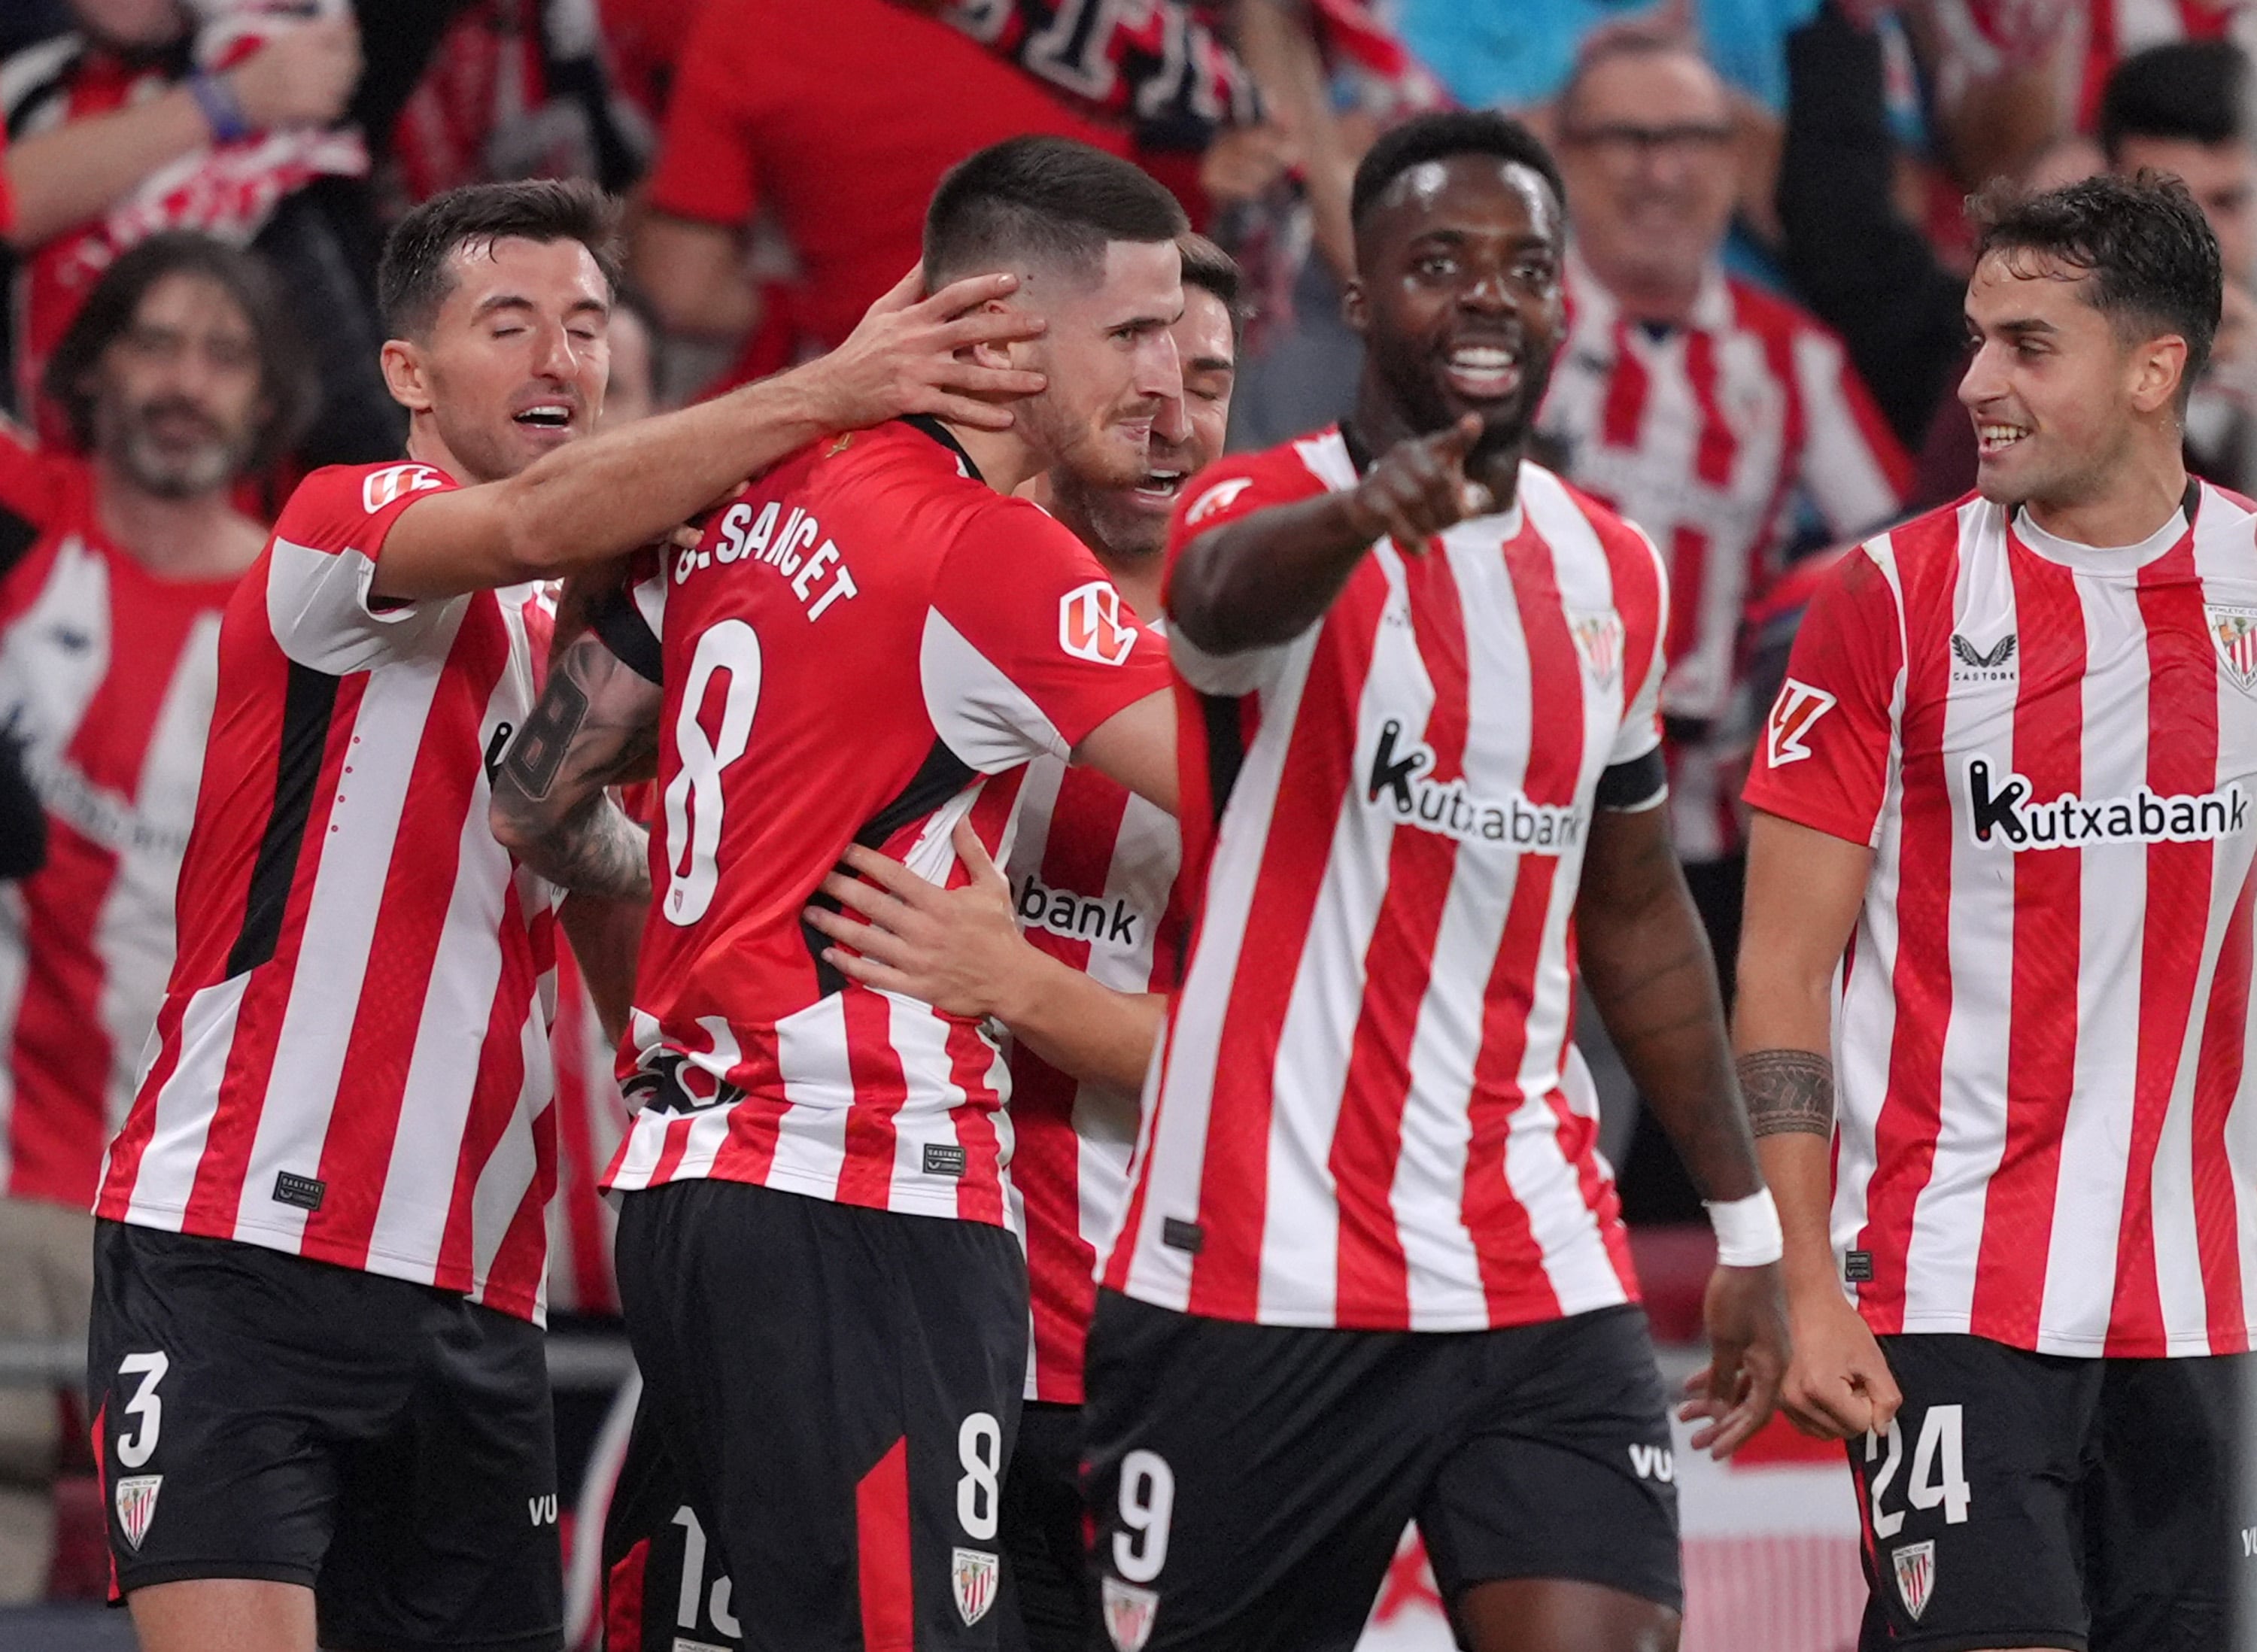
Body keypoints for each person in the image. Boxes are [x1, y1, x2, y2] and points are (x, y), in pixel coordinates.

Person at [85, 174, 1046, 1652]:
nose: (560, 361)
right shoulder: (349, 522)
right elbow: (533, 518)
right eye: (510, 323)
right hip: (237, 1249)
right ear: (406, 371)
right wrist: (833, 389)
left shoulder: (593, 645)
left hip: (480, 1291)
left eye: (588, 327)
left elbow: (588, 878)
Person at [1084, 108, 1789, 1652]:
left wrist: (1747, 1228)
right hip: (1258, 1265)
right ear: (1361, 297)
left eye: (1525, 268)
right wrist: (1363, 516)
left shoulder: (1614, 564)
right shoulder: (1253, 507)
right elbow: (1209, 606)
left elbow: (1633, 906)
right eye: (1438, 264)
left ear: (1563, 303)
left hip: (1534, 1252)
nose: (1487, 297)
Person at [490, 135, 1186, 1650]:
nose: (1162, 375)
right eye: (1130, 332)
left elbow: (536, 802)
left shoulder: (744, 490)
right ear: (999, 331)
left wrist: (720, 894)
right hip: (863, 1199)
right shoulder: (995, 556)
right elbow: (1262, 797)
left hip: (685, 1192)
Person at [1736, 172, 2257, 1652]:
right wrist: (1800, 1279)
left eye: (2028, 347)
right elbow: (1778, 973)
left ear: (2156, 369)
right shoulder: (1887, 603)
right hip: (1949, 1279)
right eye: (1977, 340)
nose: (1976, 383)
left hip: (2214, 1305)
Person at [0, 232, 309, 1605]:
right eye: (156, 342)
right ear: (93, 363)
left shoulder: (312, 614)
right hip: (5, 1184)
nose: (185, 382)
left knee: (204, 1594)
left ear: (269, 399)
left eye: (224, 353)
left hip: (196, 1211)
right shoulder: (21, 525)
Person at [1542, 31, 1910, 927]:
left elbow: (1901, 563)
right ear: (1562, 156)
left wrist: (1795, 688)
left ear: (1736, 160)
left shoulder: (1794, 357)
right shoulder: (1502, 330)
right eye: (1626, 139)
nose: (1660, 173)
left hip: (1709, 827)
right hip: (1513, 797)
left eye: (1692, 142)